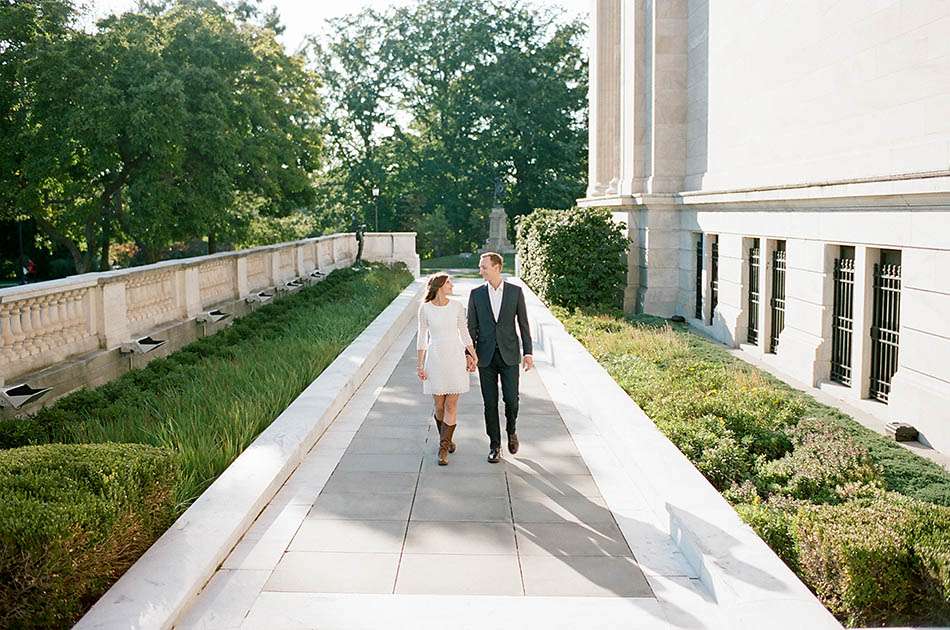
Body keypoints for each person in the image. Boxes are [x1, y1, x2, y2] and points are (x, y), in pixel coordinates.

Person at [466, 252, 533, 463]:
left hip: (509, 355)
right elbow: (471, 327)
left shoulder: (515, 292)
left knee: (511, 400)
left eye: (483, 266)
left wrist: (528, 352)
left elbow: (523, 325)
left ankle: (511, 430)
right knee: (490, 403)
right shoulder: (476, 294)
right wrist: (469, 354)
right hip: (485, 357)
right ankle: (494, 445)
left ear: (496, 267)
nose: (480, 270)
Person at [417, 272, 477, 466]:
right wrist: (420, 364)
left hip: (455, 358)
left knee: (451, 404)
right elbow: (422, 338)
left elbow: (464, 331)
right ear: (440, 285)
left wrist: (472, 354)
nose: (452, 285)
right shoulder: (425, 309)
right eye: (449, 282)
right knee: (439, 406)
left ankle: (443, 449)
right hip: (435, 358)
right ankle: (448, 439)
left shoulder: (457, 306)